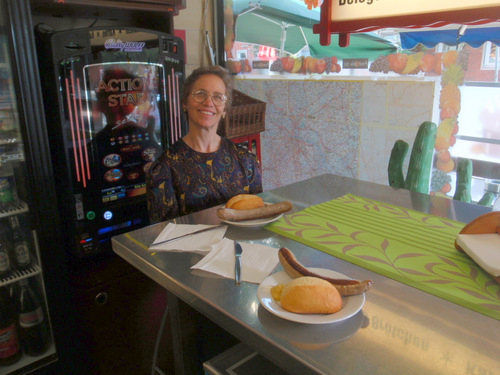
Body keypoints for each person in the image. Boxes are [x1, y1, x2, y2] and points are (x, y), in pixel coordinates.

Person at [146, 65, 263, 223]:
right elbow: (164, 236)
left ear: (225, 110)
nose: (209, 102)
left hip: (240, 246)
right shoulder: (164, 169)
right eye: (200, 94)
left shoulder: (247, 161)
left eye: (218, 97)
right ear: (185, 103)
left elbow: (258, 217)